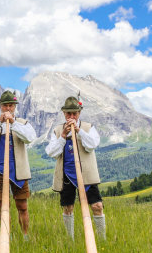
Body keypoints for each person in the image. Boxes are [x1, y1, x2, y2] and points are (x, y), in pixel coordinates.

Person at [0, 90, 37, 240]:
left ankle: (25, 236)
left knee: (22, 205)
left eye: (11, 106)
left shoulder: (23, 123)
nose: (8, 109)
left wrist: (14, 123)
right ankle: (6, 238)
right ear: (0, 107)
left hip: (19, 171)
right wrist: (0, 122)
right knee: (4, 208)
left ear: (15, 107)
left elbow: (30, 138)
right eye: (5, 106)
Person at [45, 96, 106, 240]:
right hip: (67, 174)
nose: (71, 116)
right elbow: (51, 152)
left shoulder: (88, 127)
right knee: (68, 207)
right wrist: (64, 135)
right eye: (68, 114)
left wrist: (78, 131)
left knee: (97, 206)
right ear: (64, 114)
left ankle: (102, 239)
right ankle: (69, 241)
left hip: (87, 173)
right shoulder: (58, 130)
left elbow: (92, 145)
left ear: (79, 113)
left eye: (74, 114)